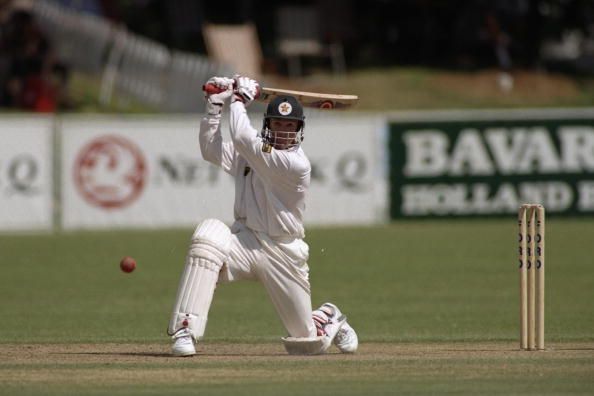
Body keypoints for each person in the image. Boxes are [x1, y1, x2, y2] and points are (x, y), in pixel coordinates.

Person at [166, 75, 358, 356]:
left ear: (299, 129)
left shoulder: (295, 164)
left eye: (289, 125)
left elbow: (243, 137)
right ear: (267, 124)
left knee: (306, 344)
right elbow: (210, 149)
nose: (282, 131)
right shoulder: (253, 154)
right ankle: (186, 329)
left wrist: (240, 99)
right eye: (277, 124)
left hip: (282, 251)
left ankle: (327, 317)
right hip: (245, 242)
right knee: (207, 237)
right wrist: (214, 107)